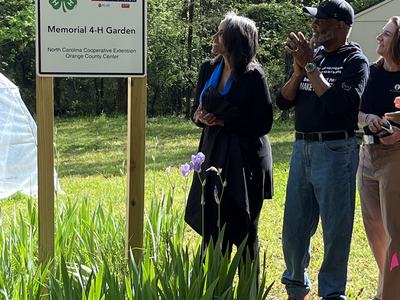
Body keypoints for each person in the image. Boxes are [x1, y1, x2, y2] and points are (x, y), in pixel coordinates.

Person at [276, 0, 369, 299]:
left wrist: (311, 67)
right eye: (314, 20)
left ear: (340, 26)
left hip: (335, 149)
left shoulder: (355, 61)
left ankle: (331, 292)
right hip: (302, 146)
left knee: (335, 229)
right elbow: (284, 101)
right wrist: (298, 71)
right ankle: (296, 285)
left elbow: (340, 107)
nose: (314, 25)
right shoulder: (311, 56)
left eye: (321, 20)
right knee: (294, 228)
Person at [184, 12, 273, 265]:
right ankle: (212, 286)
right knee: (212, 225)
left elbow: (262, 124)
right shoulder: (208, 68)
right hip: (214, 153)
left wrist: (224, 119)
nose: (214, 37)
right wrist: (201, 116)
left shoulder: (254, 75)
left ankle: (248, 288)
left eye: (221, 33)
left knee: (245, 229)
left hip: (246, 160)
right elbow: (195, 113)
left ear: (235, 39)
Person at [357, 16, 400, 300]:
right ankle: (388, 286)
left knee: (396, 235)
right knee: (375, 231)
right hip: (367, 156)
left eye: (385, 34)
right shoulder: (371, 72)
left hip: (396, 157)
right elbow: (354, 113)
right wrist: (368, 119)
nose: (378, 39)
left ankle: (388, 295)